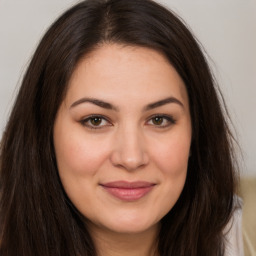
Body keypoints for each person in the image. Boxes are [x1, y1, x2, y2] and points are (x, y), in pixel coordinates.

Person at [0, 0, 243, 255]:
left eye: (159, 119)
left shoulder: (232, 240)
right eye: (96, 120)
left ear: (196, 135)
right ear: (45, 136)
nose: (131, 158)